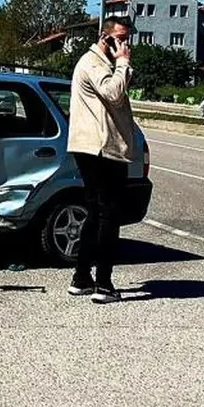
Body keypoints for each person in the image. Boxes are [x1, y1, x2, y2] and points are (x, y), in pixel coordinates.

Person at [65, 17, 138, 305]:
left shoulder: (101, 63)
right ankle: (103, 284)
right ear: (105, 38)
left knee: (96, 213)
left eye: (127, 39)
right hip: (100, 148)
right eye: (120, 39)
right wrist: (122, 63)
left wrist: (120, 65)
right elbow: (113, 92)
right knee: (109, 214)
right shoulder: (93, 63)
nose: (125, 45)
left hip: (97, 146)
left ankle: (82, 278)